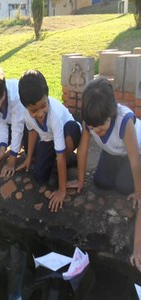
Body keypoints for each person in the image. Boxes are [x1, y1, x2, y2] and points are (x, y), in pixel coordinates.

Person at [67, 77, 141, 270]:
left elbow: (134, 161)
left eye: (101, 128)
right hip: (114, 152)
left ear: (112, 113)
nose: (96, 132)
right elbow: (82, 150)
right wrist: (81, 180)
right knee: (101, 181)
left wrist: (139, 191)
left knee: (125, 186)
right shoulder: (90, 119)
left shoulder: (125, 122)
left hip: (135, 152)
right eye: (93, 128)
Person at [18, 70, 82, 212]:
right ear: (26, 106)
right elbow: (33, 130)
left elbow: (59, 155)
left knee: (65, 145)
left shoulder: (55, 116)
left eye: (43, 106)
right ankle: (68, 159)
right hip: (49, 140)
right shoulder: (26, 115)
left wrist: (62, 190)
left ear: (47, 95)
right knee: (39, 176)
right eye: (34, 110)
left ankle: (67, 158)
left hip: (68, 132)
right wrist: (28, 158)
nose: (40, 113)